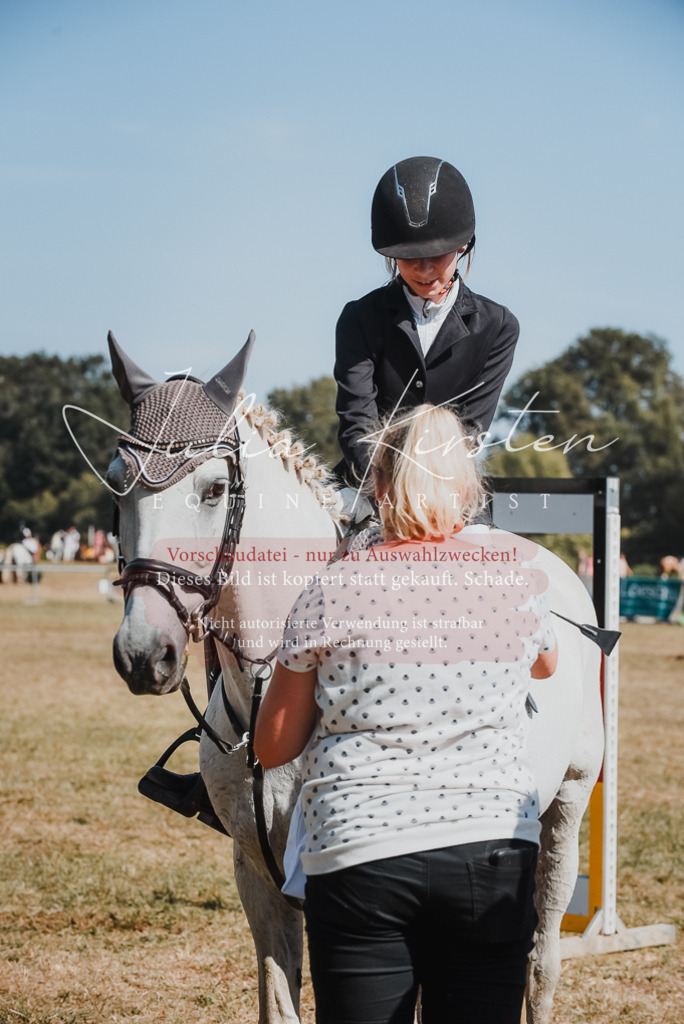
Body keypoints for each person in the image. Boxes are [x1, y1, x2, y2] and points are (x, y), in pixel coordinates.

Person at [254, 403, 557, 1024]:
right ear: (467, 490)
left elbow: (273, 746)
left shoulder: (332, 587)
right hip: (490, 842)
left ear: (381, 485)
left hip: (360, 849)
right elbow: (546, 665)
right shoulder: (514, 581)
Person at [333, 155, 519, 494]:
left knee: (484, 545)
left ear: (462, 244)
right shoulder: (359, 318)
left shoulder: (498, 327)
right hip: (366, 485)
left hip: (449, 489)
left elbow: (469, 431)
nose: (423, 269)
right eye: (409, 257)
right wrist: (386, 490)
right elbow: (357, 422)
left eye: (437, 255)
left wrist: (425, 495)